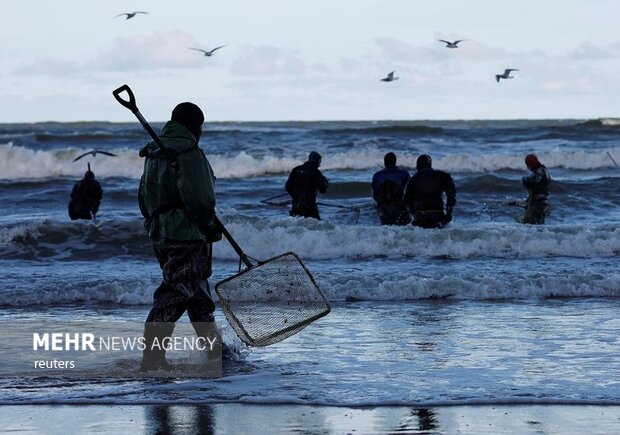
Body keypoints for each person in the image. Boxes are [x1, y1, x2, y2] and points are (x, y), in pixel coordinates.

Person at [137, 102, 222, 372]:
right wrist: (208, 225)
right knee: (174, 294)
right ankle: (152, 360)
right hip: (187, 234)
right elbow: (202, 198)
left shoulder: (154, 153)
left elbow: (143, 196)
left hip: (161, 233)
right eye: (200, 127)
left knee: (197, 296)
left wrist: (155, 222)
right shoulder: (188, 152)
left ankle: (216, 354)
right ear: (195, 127)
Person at [404, 154, 456, 229]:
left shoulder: (414, 178)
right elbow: (451, 195)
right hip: (438, 213)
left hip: (420, 214)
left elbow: (407, 198)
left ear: (419, 165)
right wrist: (449, 213)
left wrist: (413, 212)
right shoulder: (443, 175)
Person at [285, 151, 329, 220]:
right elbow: (322, 189)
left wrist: (296, 198)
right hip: (309, 208)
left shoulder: (296, 169)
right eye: (319, 162)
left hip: (296, 206)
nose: (319, 165)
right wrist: (326, 182)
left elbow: (288, 187)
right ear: (316, 161)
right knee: (318, 227)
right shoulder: (315, 171)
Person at [371, 152, 411, 225]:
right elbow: (409, 191)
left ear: (384, 162)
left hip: (384, 209)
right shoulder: (404, 173)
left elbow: (375, 196)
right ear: (395, 162)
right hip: (400, 207)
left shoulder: (378, 175)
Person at [521, 154, 551, 224]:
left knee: (533, 223)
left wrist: (525, 180)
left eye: (527, 164)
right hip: (543, 201)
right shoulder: (544, 170)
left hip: (538, 203)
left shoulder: (540, 171)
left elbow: (536, 180)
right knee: (539, 223)